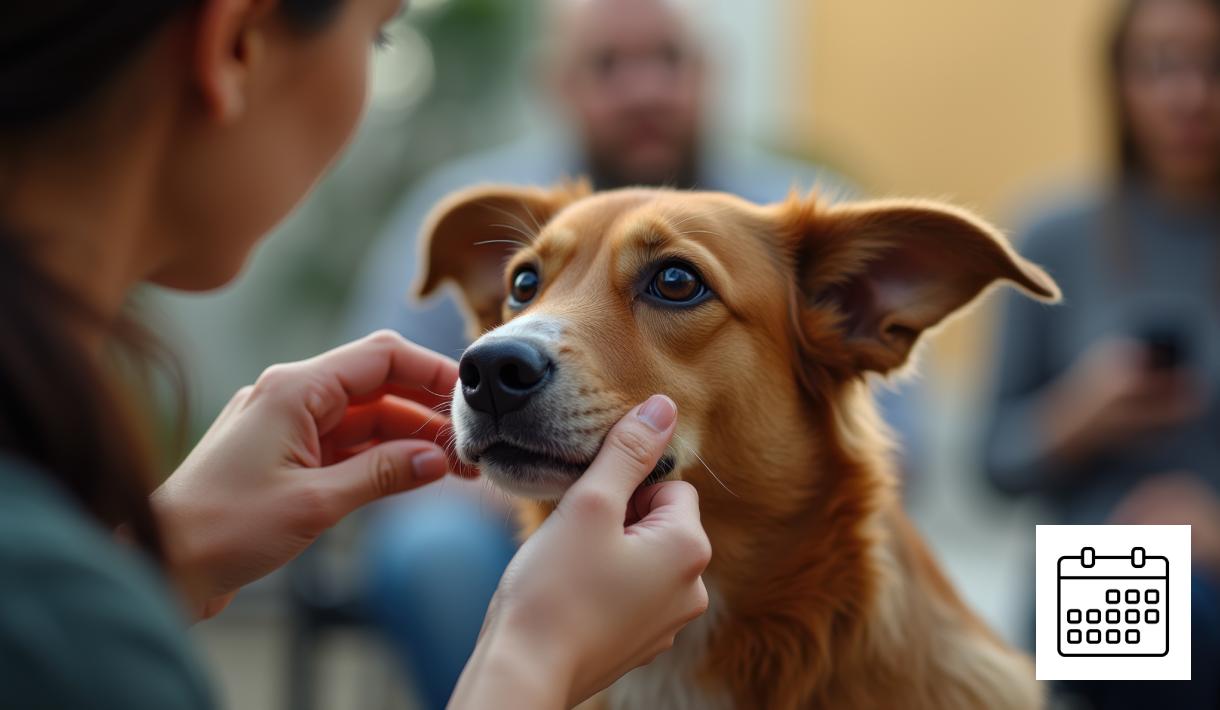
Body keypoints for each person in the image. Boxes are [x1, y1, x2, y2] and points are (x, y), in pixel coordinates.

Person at [0, 2, 711, 708]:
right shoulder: (60, 631)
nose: (644, 91)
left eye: (677, 282)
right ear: (235, 43)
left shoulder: (54, 600)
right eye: (378, 36)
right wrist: (534, 656)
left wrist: (169, 553)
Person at [343, 1, 857, 705]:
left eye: (668, 61)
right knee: (436, 549)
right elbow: (391, 419)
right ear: (557, 83)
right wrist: (548, 472)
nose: (644, 89)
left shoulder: (795, 219)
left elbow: (896, 445)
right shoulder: (477, 209)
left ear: (708, 76)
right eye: (609, 65)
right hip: (496, 519)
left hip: (735, 536)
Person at [983, 0, 1220, 706]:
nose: (1189, 96)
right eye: (1159, 66)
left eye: (1213, 65)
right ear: (1117, 82)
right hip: (1098, 583)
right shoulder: (1055, 235)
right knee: (1135, 626)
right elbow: (990, 464)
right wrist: (1078, 416)